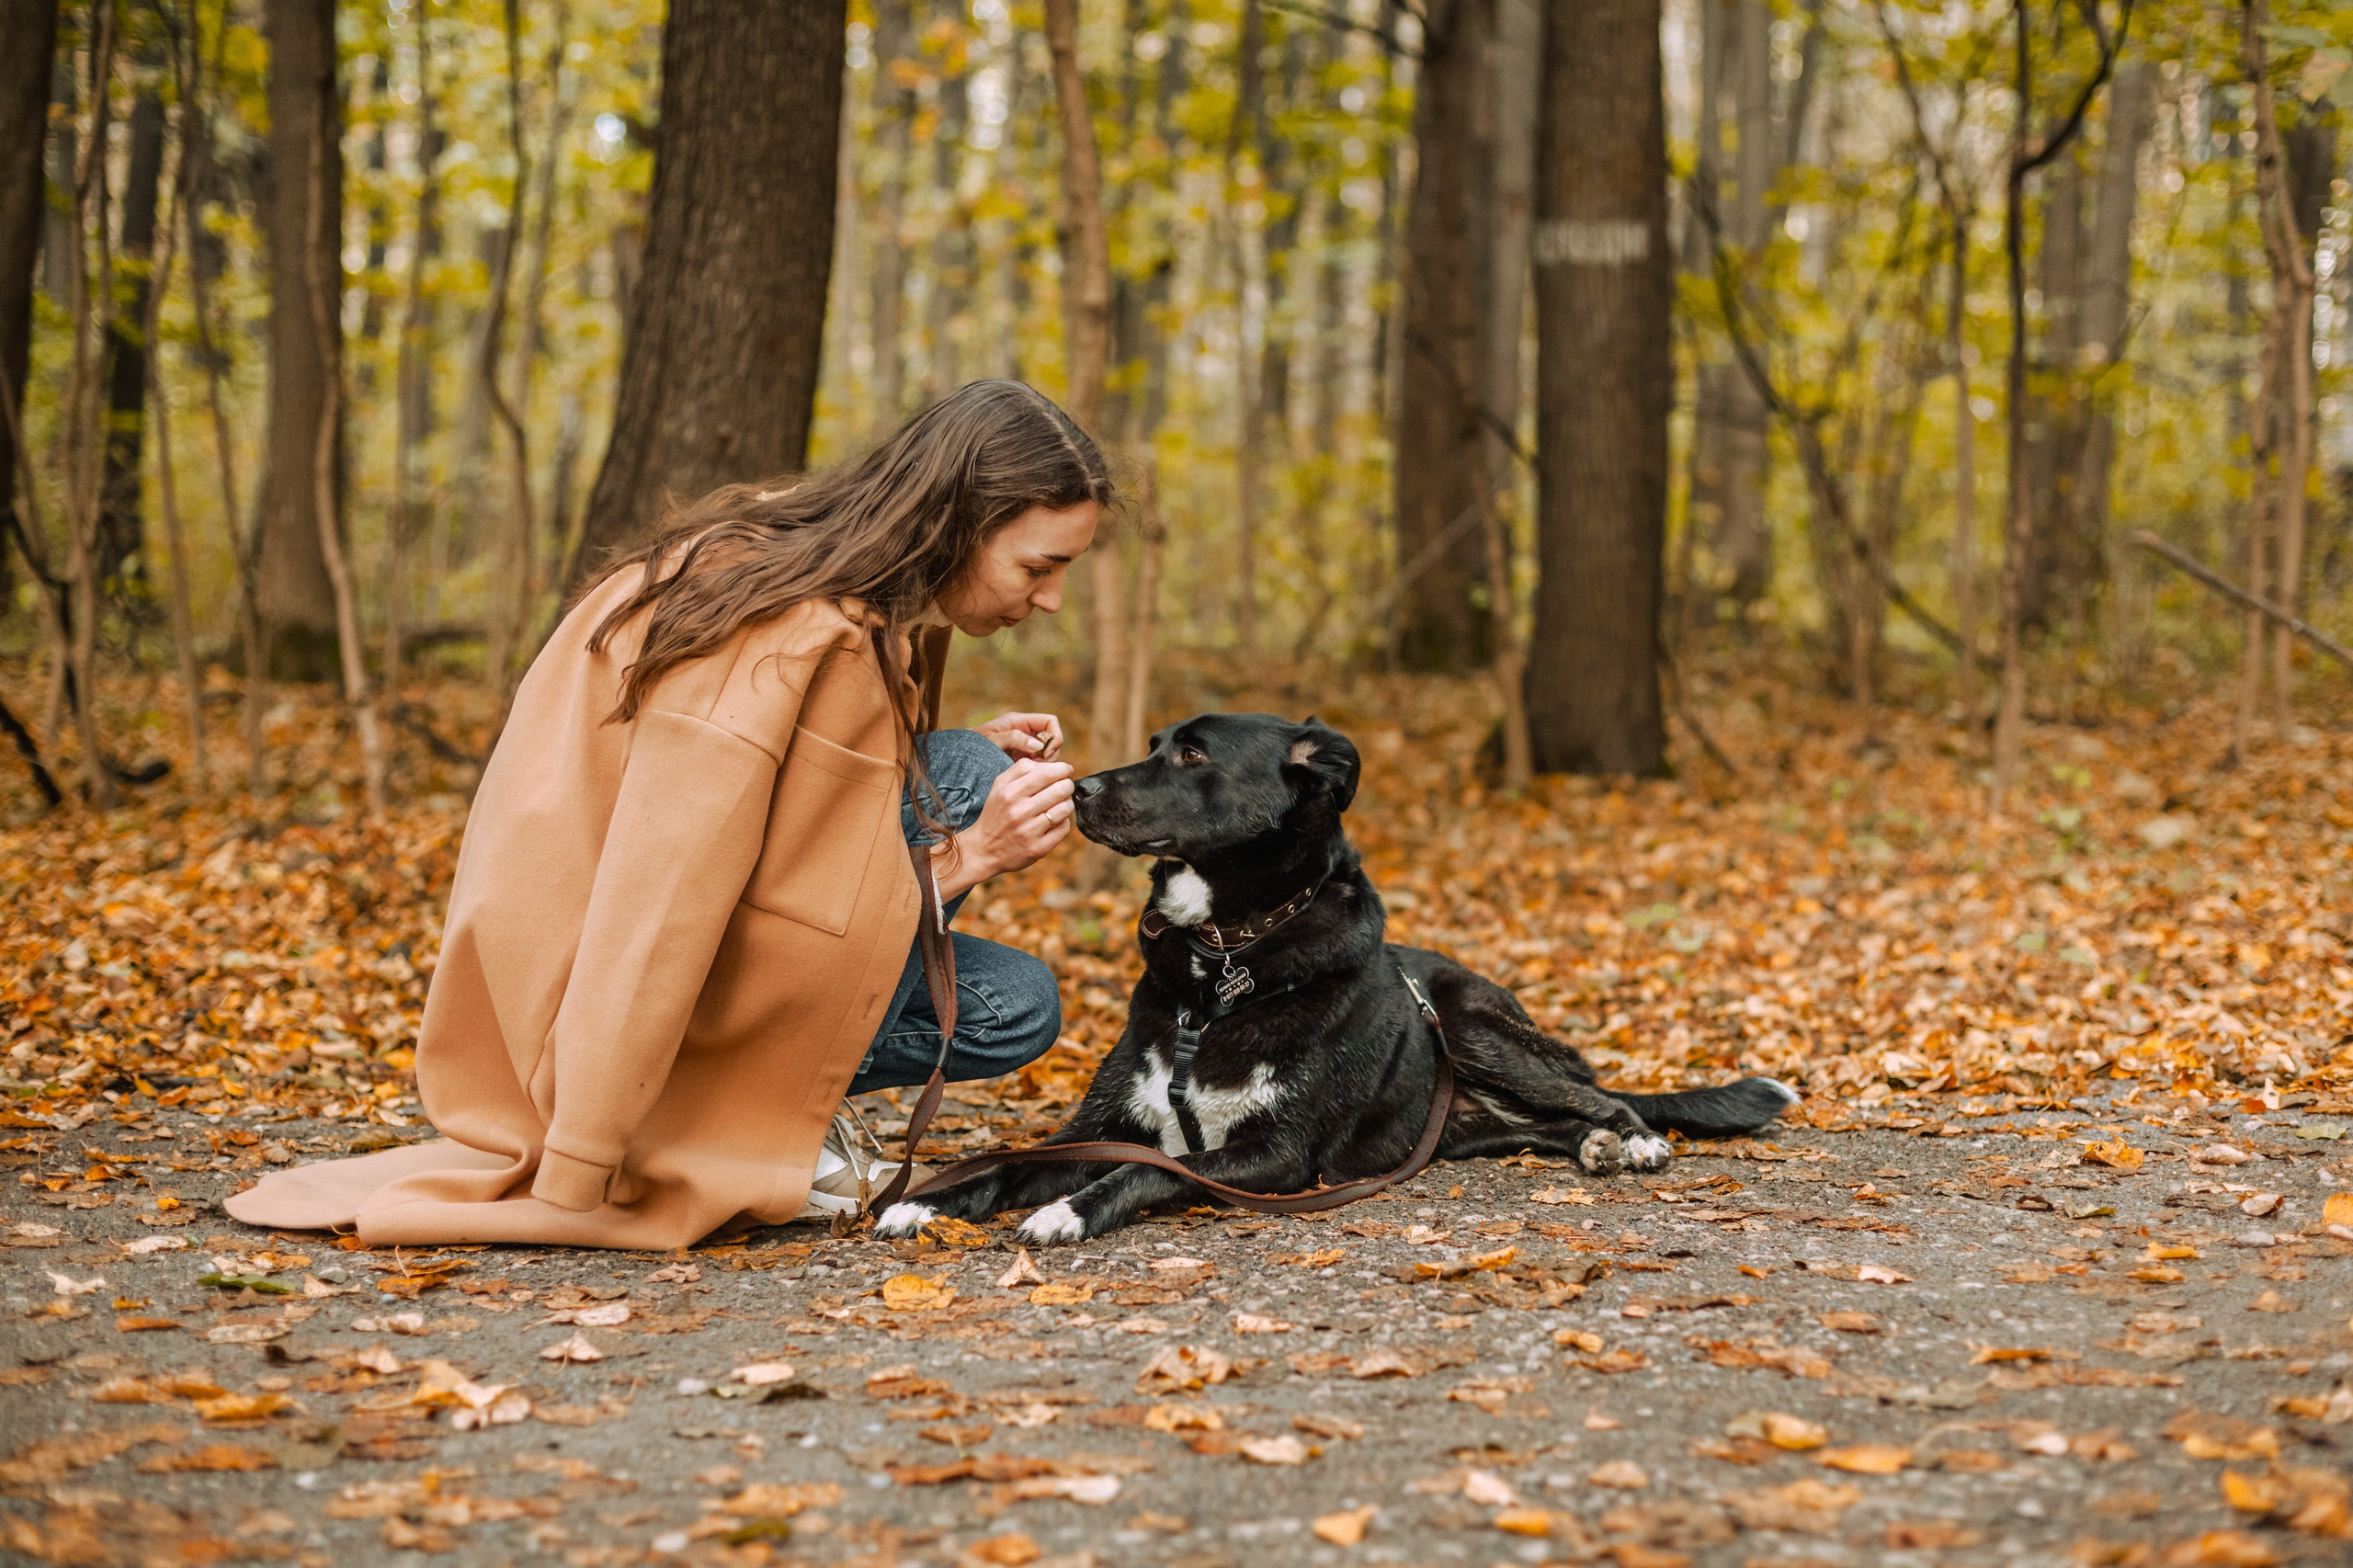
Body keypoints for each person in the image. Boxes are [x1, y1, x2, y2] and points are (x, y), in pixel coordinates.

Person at [225, 381, 1113, 1247]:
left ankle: (765, 1110)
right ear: (957, 522)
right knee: (961, 777)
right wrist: (586, 1153)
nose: (1049, 601)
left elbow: (805, 820)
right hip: (585, 995)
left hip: (637, 951)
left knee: (1014, 994)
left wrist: (957, 773)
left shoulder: (799, 566)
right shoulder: (787, 632)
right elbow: (663, 898)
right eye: (1038, 567)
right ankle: (702, 1126)